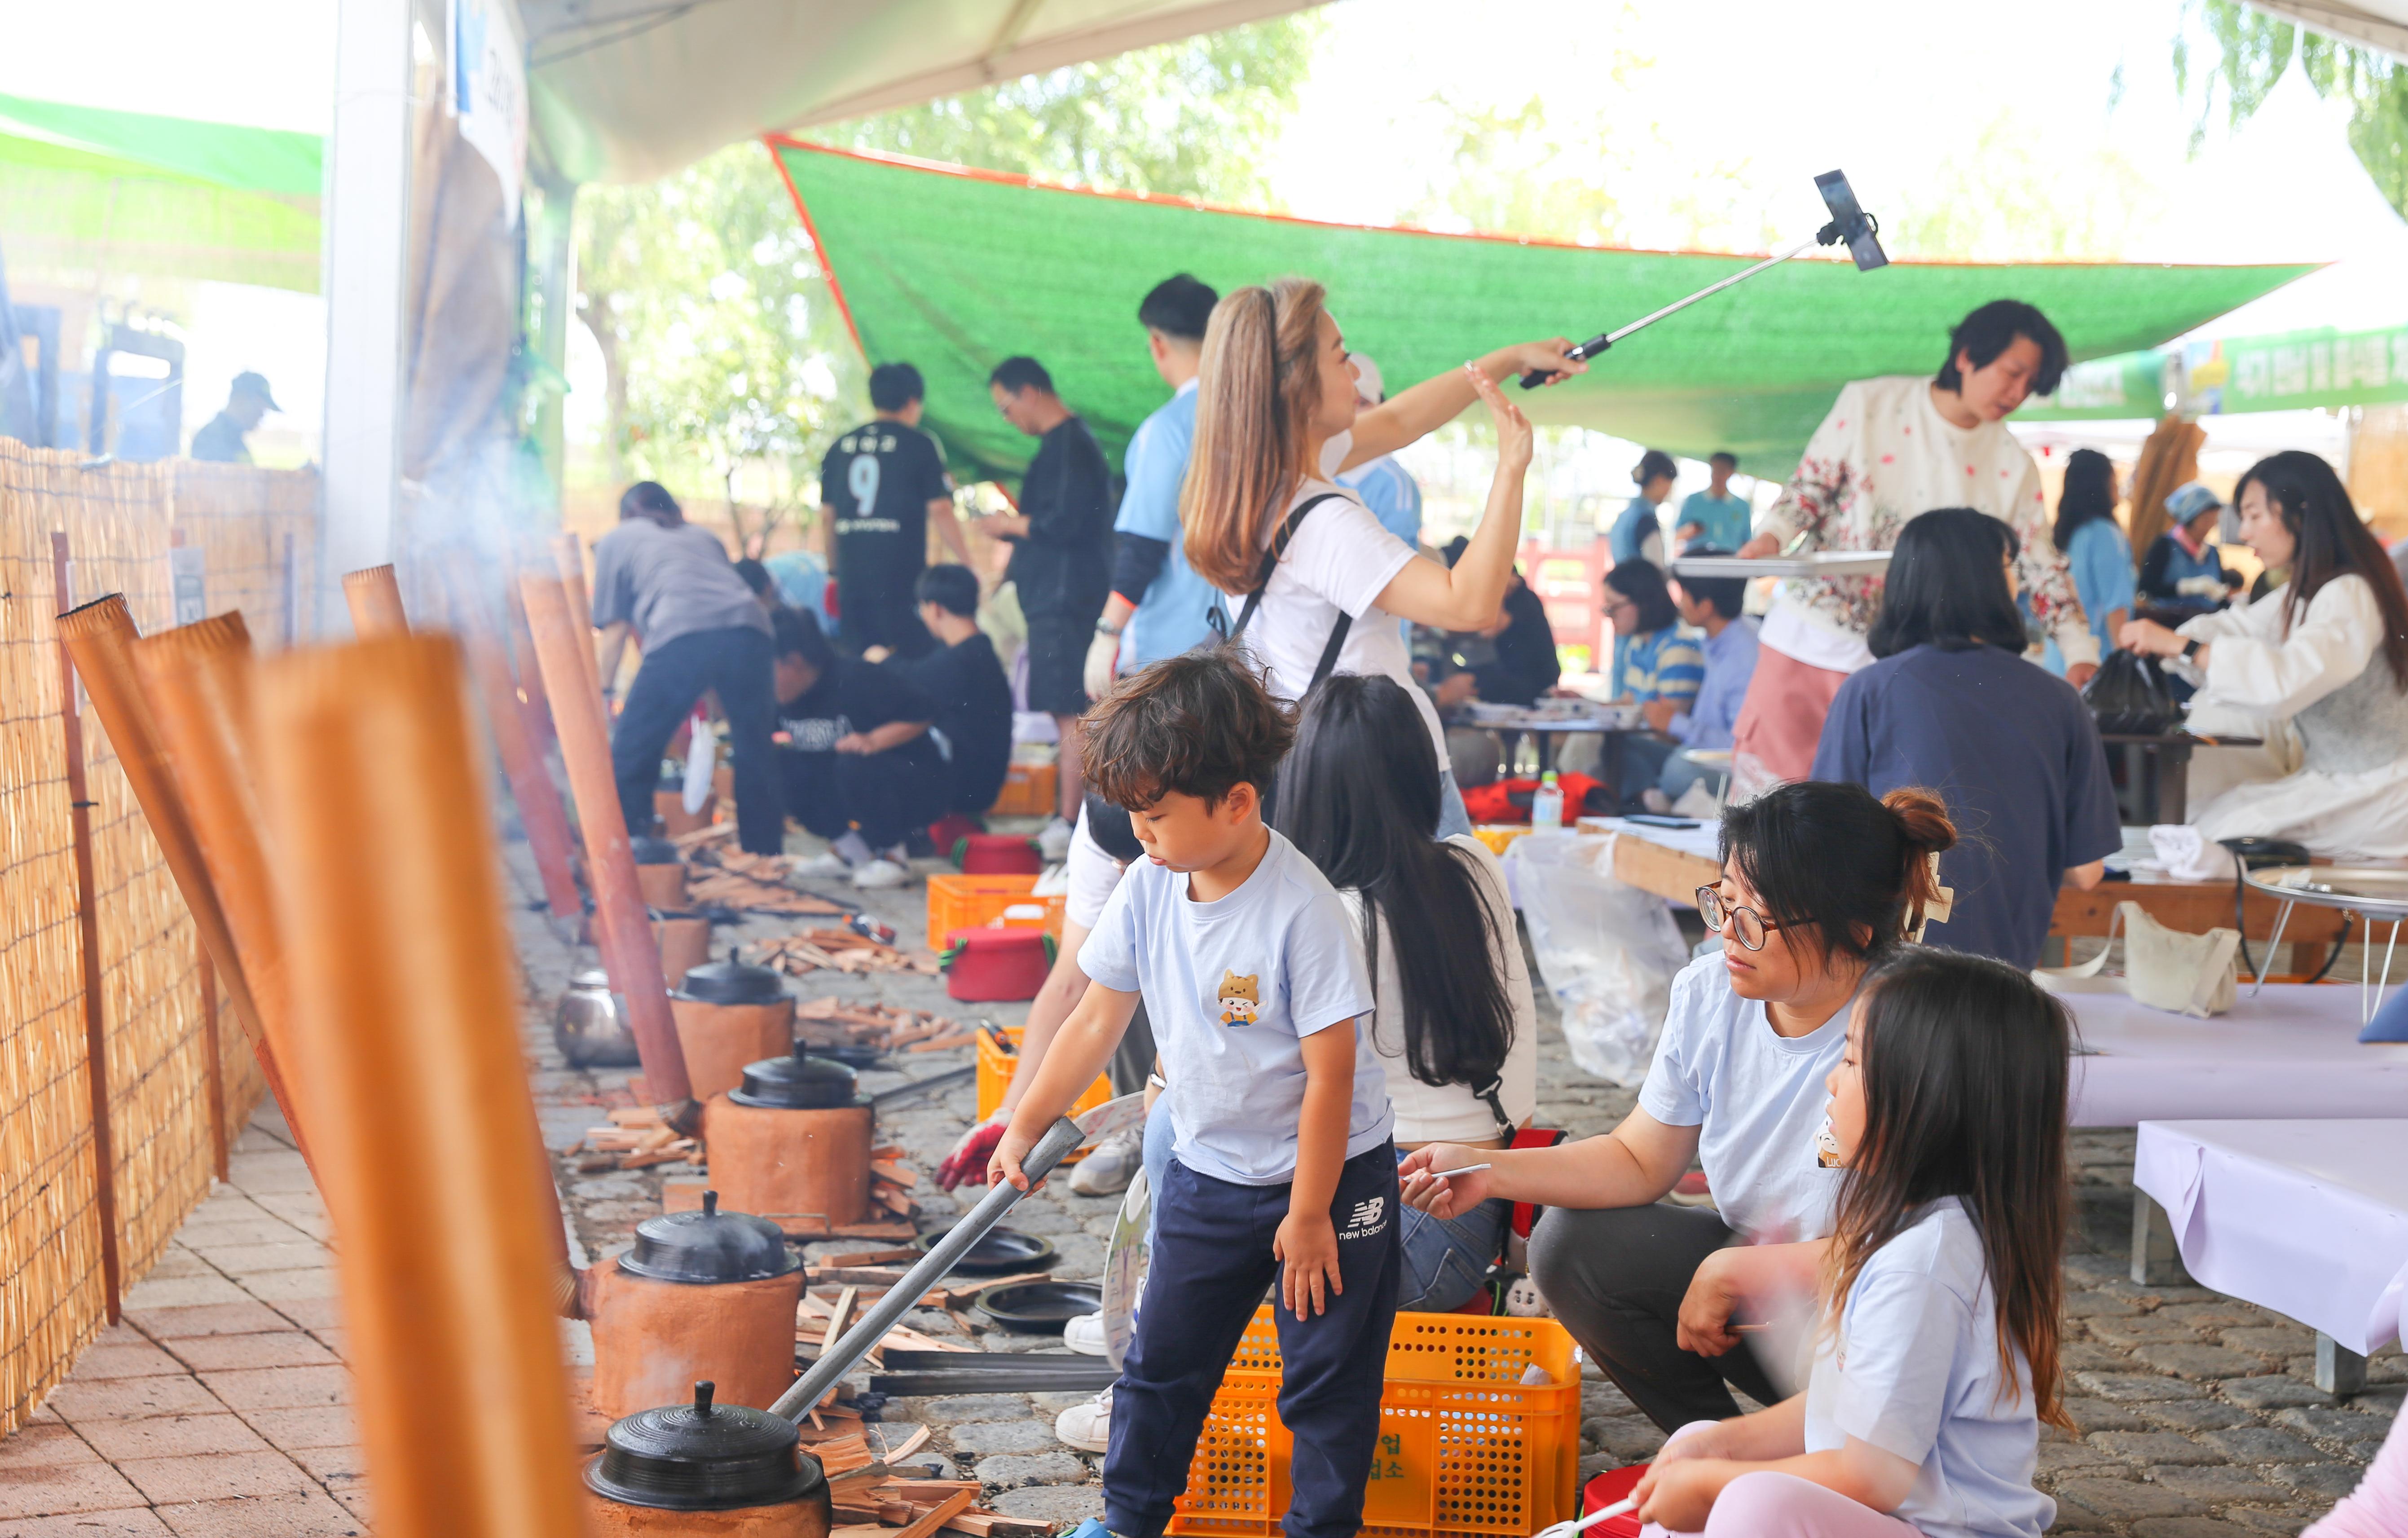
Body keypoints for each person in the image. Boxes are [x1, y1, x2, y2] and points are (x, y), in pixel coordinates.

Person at [1401, 782, 1959, 1433]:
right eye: (1721, 902)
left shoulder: (1917, 1023)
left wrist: (1739, 1267)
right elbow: (1639, 1158)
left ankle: (1809, 1457)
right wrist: (1486, 1170)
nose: (1725, 932)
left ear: (1854, 929)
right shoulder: (1709, 993)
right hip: (1769, 1294)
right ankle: (1713, 1441)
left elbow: (1928, 1251)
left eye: (1755, 917)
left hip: (1879, 1320)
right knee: (1567, 1244)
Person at [992, 648, 1396, 1538]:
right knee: (1159, 1361)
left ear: (1236, 802)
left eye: (1154, 814)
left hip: (1329, 1183)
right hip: (1209, 1170)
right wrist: (1023, 1121)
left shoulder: (1305, 911)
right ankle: (1128, 1518)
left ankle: (1317, 1528)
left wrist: (1308, 1212)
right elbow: (1094, 1023)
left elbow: (1331, 1077)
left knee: (1325, 1382)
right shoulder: (1148, 885)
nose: (1140, 833)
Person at [1624, 948, 2068, 1538]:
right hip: (1882, 1515)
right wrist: (1720, 1445)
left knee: (1752, 1505)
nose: (1831, 1079)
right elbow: (1842, 1409)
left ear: (1923, 1099)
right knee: (1693, 1446)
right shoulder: (1897, 1229)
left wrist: (1713, 1486)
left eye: (1852, 1059)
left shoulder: (1924, 1265)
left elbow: (1872, 1475)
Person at [1177, 277, 1584, 840]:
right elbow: (1468, 604)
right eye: (1341, 357)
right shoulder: (1323, 523)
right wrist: (1511, 468)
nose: (1355, 375)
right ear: (1295, 383)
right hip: (1382, 773)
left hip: (1319, 768)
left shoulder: (1263, 487)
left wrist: (1511, 359)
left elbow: (1400, 421)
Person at [1731, 300, 2095, 787]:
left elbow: (2040, 564)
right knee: (1768, 819)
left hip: (1916, 672)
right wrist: (1769, 538)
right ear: (1966, 355)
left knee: (1878, 835)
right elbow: (1809, 488)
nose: (2017, 392)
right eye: (2012, 373)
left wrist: (2077, 648)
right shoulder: (1870, 405)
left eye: (2030, 384)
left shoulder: (2012, 465)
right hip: (1810, 639)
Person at [1279, 674, 1536, 1312]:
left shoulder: (1325, 916)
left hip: (1387, 1241)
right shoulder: (1475, 867)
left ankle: (1147, 1337)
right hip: (1471, 1225)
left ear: (1303, 789)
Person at [1813, 508, 2117, 970]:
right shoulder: (2059, 700)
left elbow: (1820, 848)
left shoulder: (1868, 691)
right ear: (1986, 581)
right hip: (2005, 982)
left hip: (1885, 983)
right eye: (2007, 567)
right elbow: (2086, 871)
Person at [2119, 450, 2408, 860]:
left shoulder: (2350, 593)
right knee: (2207, 826)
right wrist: (2166, 641)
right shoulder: (2307, 593)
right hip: (2340, 784)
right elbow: (2241, 626)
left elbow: (2286, 682)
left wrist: (2180, 647)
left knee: (2211, 840)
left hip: (2376, 792)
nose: (2246, 533)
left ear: (2300, 513)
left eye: (2254, 516)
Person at [590, 481, 783, 856]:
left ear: (627, 512)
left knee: (634, 745)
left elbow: (614, 629)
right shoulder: (703, 535)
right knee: (754, 747)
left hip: (682, 631)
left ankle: (636, 847)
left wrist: (603, 695)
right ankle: (764, 856)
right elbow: (718, 615)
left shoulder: (618, 538)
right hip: (751, 630)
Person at [979, 355, 1114, 843]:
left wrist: (1008, 524)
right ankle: (1071, 818)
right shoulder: (1063, 447)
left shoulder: (1069, 447)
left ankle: (1071, 821)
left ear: (1029, 392)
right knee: (1068, 711)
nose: (1007, 419)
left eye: (1005, 407)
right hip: (1056, 596)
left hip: (1064, 598)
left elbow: (1067, 522)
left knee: (1070, 712)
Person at [1088, 275, 1224, 700]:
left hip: (1171, 656)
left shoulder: (1167, 429)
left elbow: (1143, 545)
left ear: (1157, 343)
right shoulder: (1257, 421)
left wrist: (1107, 632)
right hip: (1244, 646)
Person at [774, 608, 946, 890]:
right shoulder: (784, 697)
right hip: (850, 784)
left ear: (793, 662)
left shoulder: (857, 678)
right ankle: (850, 852)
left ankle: (894, 857)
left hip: (915, 785)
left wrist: (875, 740)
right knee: (779, 764)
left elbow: (926, 710)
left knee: (854, 763)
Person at [818, 361, 968, 658]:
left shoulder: (839, 448)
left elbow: (826, 517)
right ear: (913, 402)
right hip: (902, 583)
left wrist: (834, 573)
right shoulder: (920, 445)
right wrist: (967, 563)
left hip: (853, 583)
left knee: (860, 664)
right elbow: (940, 509)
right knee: (908, 666)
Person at [892, 564, 1013, 837]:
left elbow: (907, 680)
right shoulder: (979, 652)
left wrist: (881, 661)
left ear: (935, 608)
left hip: (965, 789)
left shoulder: (960, 660)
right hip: (982, 784)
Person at [1654, 554, 1760, 809]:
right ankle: (1662, 800)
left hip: (1740, 768)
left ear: (1705, 607)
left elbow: (1740, 746)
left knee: (1676, 771)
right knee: (1627, 752)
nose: (1680, 604)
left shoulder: (1743, 657)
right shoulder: (1721, 638)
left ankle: (1666, 800)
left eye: (1684, 595)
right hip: (1698, 751)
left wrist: (1675, 723)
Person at [1602, 559, 1705, 803]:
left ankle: (1643, 802)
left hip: (1675, 754)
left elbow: (1667, 729)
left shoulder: (1678, 648)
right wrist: (1582, 705)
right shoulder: (1639, 643)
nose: (1610, 616)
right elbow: (1628, 701)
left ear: (1642, 603)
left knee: (1614, 748)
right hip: (1648, 746)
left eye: (1614, 607)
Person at [2049, 448, 2135, 667]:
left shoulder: (2066, 533)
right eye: (2114, 480)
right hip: (2095, 664)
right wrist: (2123, 665)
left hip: (2062, 659)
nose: (2117, 488)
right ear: (2102, 485)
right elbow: (2116, 604)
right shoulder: (2104, 534)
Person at [1334, 355, 1426, 549]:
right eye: (1341, 400)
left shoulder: (1394, 484)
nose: (1352, 413)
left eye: (1361, 403)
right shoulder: (1307, 470)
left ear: (1381, 410)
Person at [2137, 481, 2241, 622]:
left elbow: (2221, 595)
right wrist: (2188, 587)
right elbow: (2147, 588)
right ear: (2189, 517)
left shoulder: (2212, 552)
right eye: (2205, 519)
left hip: (2204, 624)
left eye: (2214, 519)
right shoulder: (2164, 546)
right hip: (2167, 622)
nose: (2210, 525)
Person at [189, 371, 278, 463]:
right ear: (241, 399)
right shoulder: (210, 438)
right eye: (260, 407)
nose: (262, 414)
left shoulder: (236, 442)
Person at [1614, 450, 1677, 568]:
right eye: (1670, 485)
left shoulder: (1625, 516)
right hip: (1640, 586)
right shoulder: (1645, 519)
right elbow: (1656, 569)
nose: (1669, 492)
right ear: (1659, 480)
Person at [1677, 451, 1752, 551]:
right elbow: (1678, 535)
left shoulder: (1742, 506)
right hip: (1697, 559)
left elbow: (1747, 541)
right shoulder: (1692, 501)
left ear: (1731, 473)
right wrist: (1691, 530)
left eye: (1723, 471)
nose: (1718, 476)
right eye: (1715, 470)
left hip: (1730, 561)